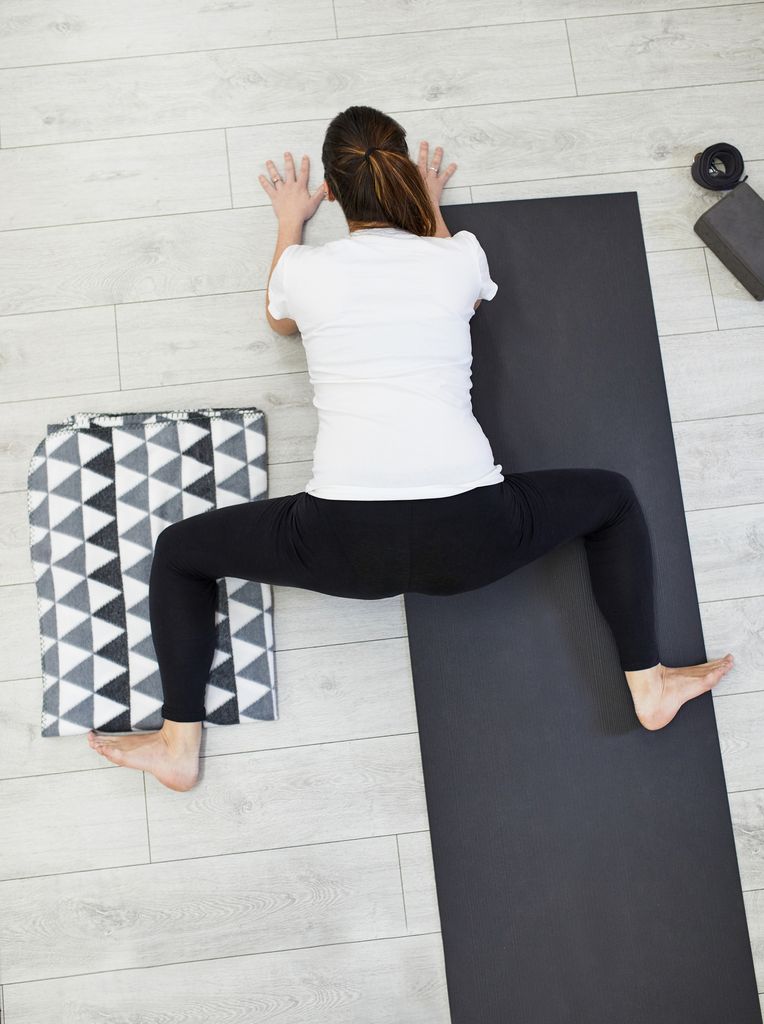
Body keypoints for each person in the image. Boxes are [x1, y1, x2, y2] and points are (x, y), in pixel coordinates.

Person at [89, 105, 734, 791]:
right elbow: (472, 298)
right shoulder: (458, 256)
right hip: (473, 538)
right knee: (612, 499)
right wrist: (429, 211)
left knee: (182, 553)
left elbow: (279, 322)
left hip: (343, 546)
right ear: (404, 177)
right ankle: (649, 685)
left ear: (331, 193)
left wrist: (287, 219)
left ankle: (178, 744)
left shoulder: (305, 269)